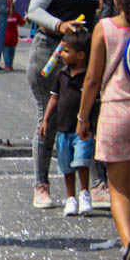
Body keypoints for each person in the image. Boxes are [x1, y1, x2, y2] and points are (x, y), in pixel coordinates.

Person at [26, 0, 100, 209]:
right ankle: (41, 184)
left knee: (84, 116)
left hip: (81, 58)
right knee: (49, 117)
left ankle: (92, 184)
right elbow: (34, 10)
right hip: (51, 52)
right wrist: (60, 25)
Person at [77, 0, 130, 260]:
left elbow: (92, 79)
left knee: (120, 191)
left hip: (116, 113)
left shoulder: (105, 27)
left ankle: (129, 247)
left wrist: (83, 118)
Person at [38, 29, 97, 216]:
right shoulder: (62, 75)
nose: (61, 54)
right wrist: (46, 120)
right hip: (63, 129)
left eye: (66, 51)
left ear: (80, 55)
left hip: (82, 129)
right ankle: (71, 198)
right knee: (66, 166)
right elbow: (54, 98)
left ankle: (84, 193)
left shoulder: (88, 76)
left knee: (81, 162)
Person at [0, 7, 25, 72]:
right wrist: (26, 17)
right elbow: (22, 23)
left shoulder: (2, 16)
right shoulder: (16, 15)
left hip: (5, 37)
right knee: (12, 52)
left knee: (6, 52)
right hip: (14, 37)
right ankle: (10, 65)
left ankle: (7, 65)